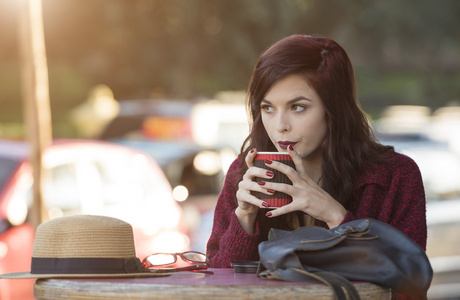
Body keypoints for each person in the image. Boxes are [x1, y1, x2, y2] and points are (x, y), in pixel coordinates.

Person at [206, 34, 427, 269]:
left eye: (298, 107)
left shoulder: (395, 176)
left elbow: (409, 282)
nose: (280, 125)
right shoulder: (246, 173)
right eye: (268, 107)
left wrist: (336, 217)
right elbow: (217, 284)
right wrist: (244, 219)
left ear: (334, 109)